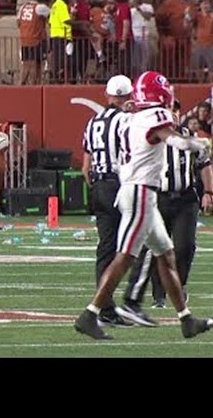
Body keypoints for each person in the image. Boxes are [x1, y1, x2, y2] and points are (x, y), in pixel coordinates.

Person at [74, 70, 213, 340]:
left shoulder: (133, 117)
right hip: (140, 192)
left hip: (138, 192)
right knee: (126, 255)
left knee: (166, 254)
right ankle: (90, 314)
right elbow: (171, 138)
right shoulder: (154, 116)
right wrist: (198, 144)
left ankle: (186, 319)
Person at [120, 98, 213, 313]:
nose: (170, 114)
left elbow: (205, 164)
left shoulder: (188, 136)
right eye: (167, 109)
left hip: (185, 197)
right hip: (158, 196)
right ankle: (158, 295)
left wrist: (208, 191)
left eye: (174, 110)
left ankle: (178, 287)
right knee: (154, 248)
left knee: (185, 247)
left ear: (180, 113)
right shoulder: (151, 134)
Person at [81, 75, 136, 328]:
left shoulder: (93, 121)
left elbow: (85, 166)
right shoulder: (125, 119)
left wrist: (98, 186)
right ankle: (127, 302)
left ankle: (105, 306)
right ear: (127, 97)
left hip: (99, 185)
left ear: (107, 95)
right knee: (133, 244)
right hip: (119, 184)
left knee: (107, 248)